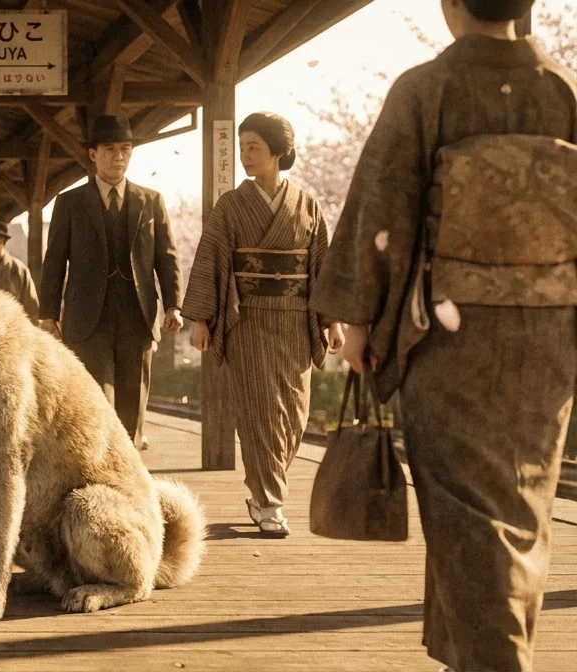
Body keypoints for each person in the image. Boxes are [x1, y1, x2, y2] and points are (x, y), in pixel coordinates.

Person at [309, 2, 575, 669]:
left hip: (450, 340)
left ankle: (496, 662)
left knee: (468, 523)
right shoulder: (564, 91)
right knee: (520, 518)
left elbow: (382, 212)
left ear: (451, 4)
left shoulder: (426, 89)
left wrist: (359, 324)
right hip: (548, 341)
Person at [181, 112, 344, 537]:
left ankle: (261, 490)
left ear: (278, 152)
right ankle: (271, 502)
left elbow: (323, 266)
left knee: (294, 416)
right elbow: (210, 259)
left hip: (294, 320)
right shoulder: (232, 206)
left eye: (254, 146)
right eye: (242, 146)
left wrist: (332, 320)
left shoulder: (307, 205)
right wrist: (201, 319)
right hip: (248, 319)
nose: (245, 155)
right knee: (258, 414)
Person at [39, 114, 184, 449]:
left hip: (138, 315)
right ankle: (96, 471)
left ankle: (128, 477)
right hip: (88, 319)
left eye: (125, 149)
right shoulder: (70, 202)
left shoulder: (151, 201)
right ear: (93, 154)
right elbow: (54, 262)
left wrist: (174, 304)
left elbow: (167, 257)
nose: (118, 156)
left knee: (133, 404)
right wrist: (48, 314)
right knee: (93, 400)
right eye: (109, 149)